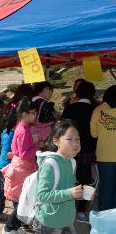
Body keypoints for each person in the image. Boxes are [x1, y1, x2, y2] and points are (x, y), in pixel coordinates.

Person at [33, 120, 82, 233]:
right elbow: (42, 195)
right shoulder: (50, 164)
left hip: (67, 219)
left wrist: (78, 193)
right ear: (56, 141)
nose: (75, 143)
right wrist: (69, 193)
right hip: (49, 222)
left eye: (77, 139)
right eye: (69, 139)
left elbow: (67, 188)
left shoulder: (72, 162)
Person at [2, 98, 38, 234]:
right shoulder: (23, 130)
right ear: (24, 114)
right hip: (22, 170)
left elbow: (16, 149)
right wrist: (36, 147)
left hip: (21, 168)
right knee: (22, 204)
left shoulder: (22, 127)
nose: (35, 116)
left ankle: (14, 227)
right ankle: (9, 228)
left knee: (22, 203)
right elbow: (24, 154)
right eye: (33, 113)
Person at [61, 81, 97, 219]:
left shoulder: (70, 108)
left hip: (69, 148)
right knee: (85, 178)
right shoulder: (95, 109)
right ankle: (82, 210)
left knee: (68, 176)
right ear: (92, 94)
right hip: (88, 149)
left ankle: (67, 206)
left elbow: (62, 128)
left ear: (78, 93)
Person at [90, 85, 116, 211]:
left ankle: (104, 218)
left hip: (104, 156)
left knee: (106, 187)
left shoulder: (98, 110)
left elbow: (93, 133)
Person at [0, 107, 18, 221]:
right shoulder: (11, 133)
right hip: (5, 166)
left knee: (5, 190)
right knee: (5, 190)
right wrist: (22, 154)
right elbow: (8, 154)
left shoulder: (6, 131)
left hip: (3, 165)